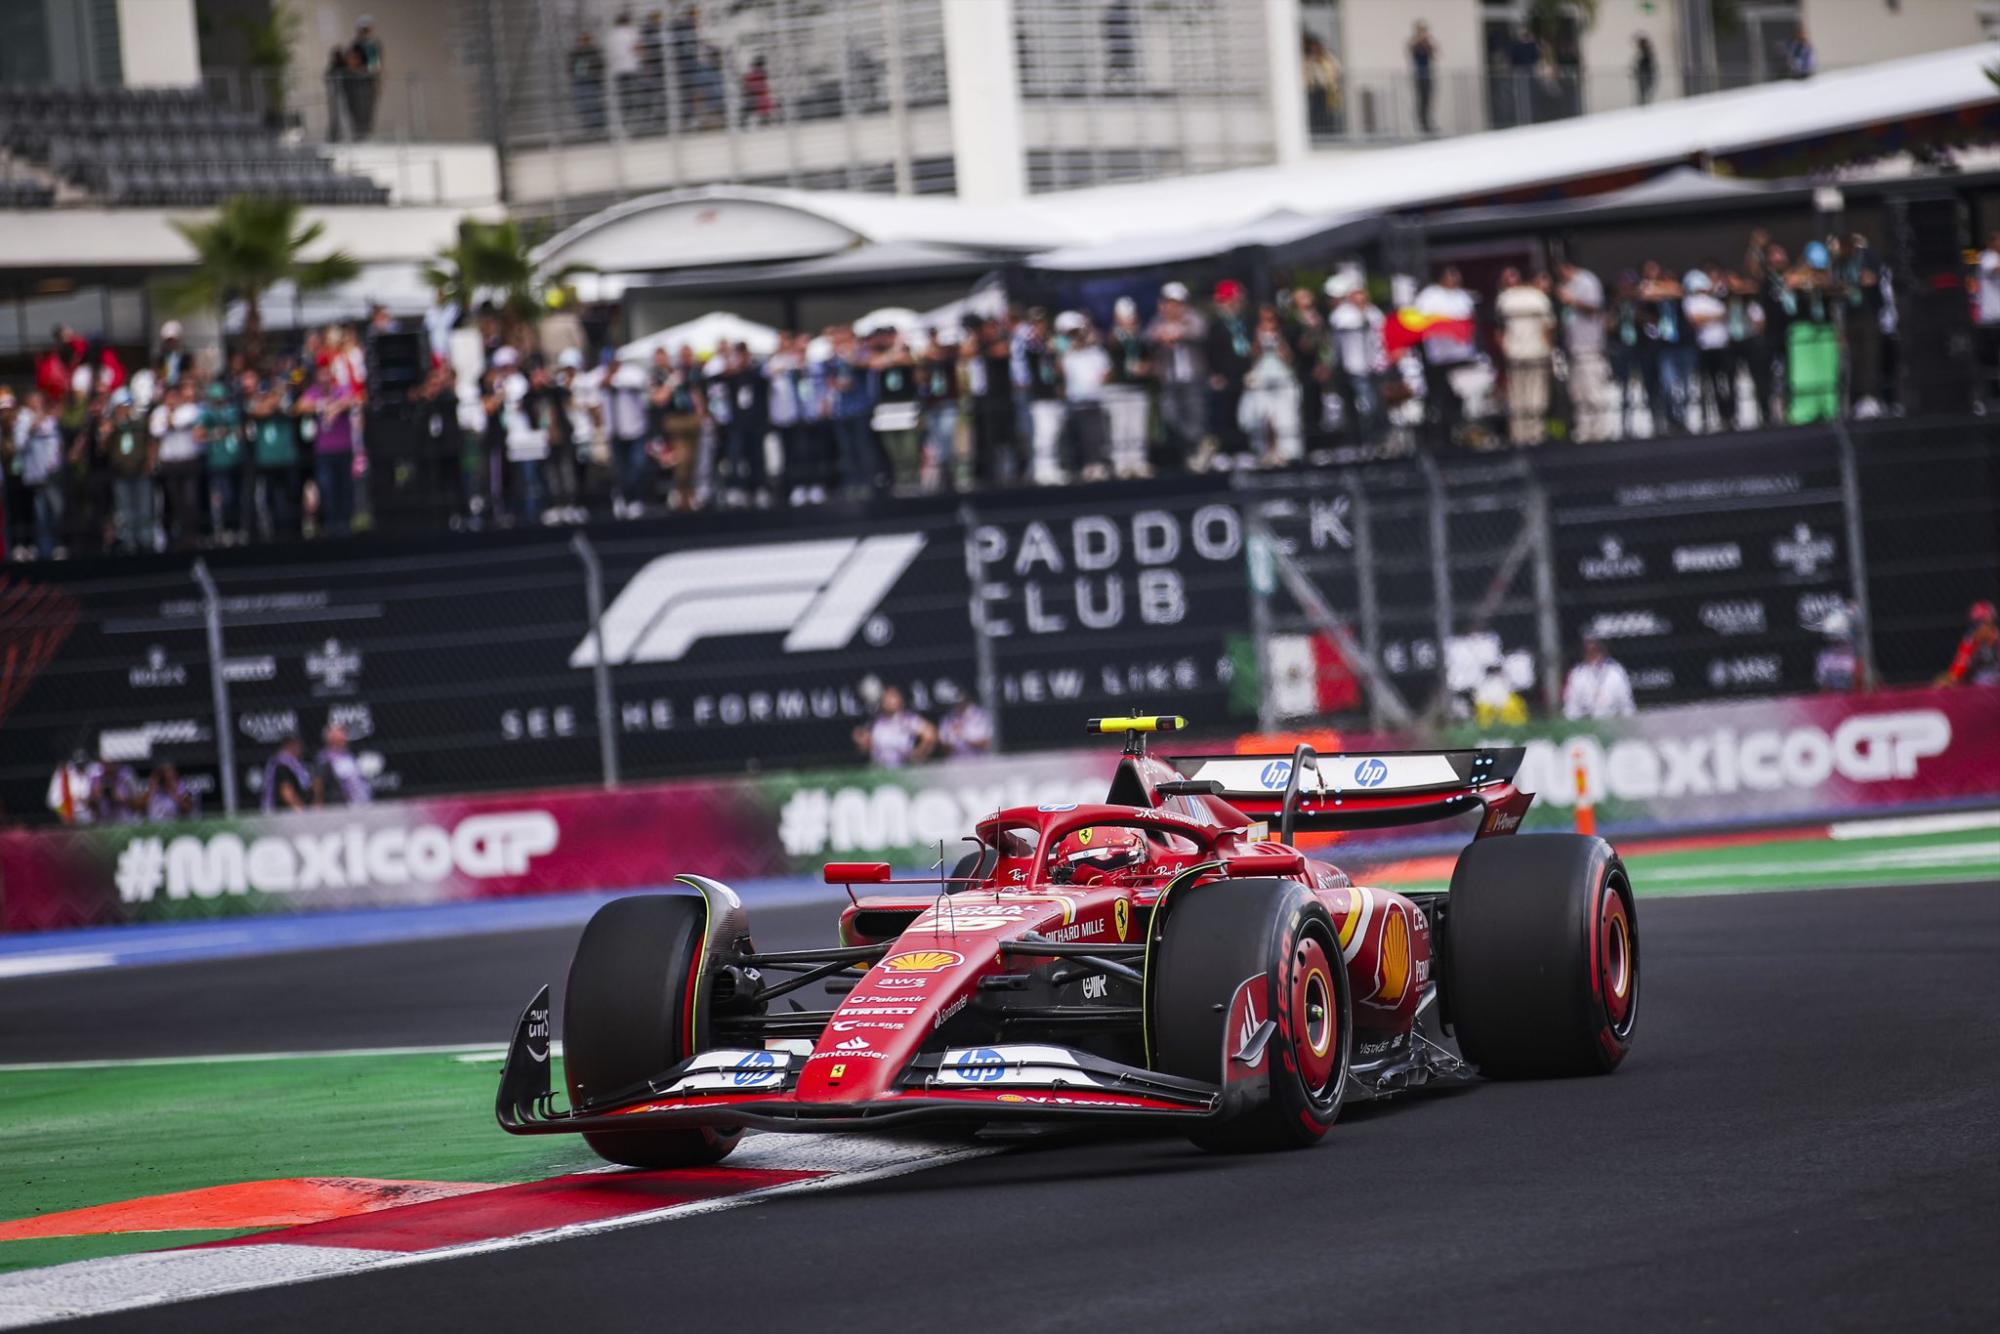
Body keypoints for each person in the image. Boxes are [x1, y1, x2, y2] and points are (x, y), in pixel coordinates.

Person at [1145, 283, 1208, 467]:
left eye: (1177, 303)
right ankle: (1194, 446)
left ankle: (1195, 453)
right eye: (1169, 303)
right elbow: (1147, 337)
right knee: (1170, 415)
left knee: (1195, 416)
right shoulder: (1157, 321)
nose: (1173, 307)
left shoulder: (1193, 318)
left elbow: (1200, 330)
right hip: (1169, 379)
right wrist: (1161, 334)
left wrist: (1179, 332)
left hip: (1192, 378)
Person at [1414, 267, 1477, 450]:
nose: (1454, 278)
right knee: (1439, 397)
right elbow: (1422, 322)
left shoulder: (1462, 297)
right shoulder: (1429, 296)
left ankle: (1461, 433)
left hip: (1461, 356)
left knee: (1459, 397)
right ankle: (1441, 437)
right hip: (1438, 358)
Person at [1496, 268, 1555, 445]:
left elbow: (1499, 332)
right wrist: (1550, 352)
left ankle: (1519, 437)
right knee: (1536, 396)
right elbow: (1548, 329)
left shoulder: (1504, 299)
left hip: (1515, 355)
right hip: (1537, 353)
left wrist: (1506, 350)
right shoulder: (1539, 299)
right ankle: (1535, 435)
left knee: (1517, 398)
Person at [1238, 304, 1301, 465]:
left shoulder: (1283, 335)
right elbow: (1252, 355)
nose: (1268, 324)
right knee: (1261, 415)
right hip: (1261, 376)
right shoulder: (1252, 335)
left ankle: (1285, 452)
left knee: (1284, 416)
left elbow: (1289, 358)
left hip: (1281, 376)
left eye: (1271, 320)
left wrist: (1278, 342)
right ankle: (1264, 451)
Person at [301, 365, 358, 536]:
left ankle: (346, 524)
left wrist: (336, 407)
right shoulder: (314, 393)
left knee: (345, 488)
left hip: (343, 448)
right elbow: (300, 406)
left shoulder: (341, 391)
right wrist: (321, 405)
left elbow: (355, 399)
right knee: (327, 488)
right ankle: (331, 525)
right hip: (324, 451)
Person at [1557, 261, 1610, 441]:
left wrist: (1572, 300)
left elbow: (1594, 307)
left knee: (1593, 391)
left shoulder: (1587, 281)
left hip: (1590, 346)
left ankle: (1601, 430)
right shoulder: (1568, 285)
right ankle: (1585, 430)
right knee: (1578, 393)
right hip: (1574, 347)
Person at [97, 388, 155, 552]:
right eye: (120, 406)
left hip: (140, 472)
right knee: (125, 509)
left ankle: (146, 542)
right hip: (120, 473)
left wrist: (149, 463)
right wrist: (105, 434)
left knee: (144, 508)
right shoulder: (112, 426)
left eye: (126, 405)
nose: (124, 409)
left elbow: (150, 442)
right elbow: (102, 450)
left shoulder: (140, 423)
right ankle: (129, 543)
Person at [12, 390, 67, 559]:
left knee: (58, 511)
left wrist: (54, 466)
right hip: (35, 478)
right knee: (40, 514)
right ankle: (44, 549)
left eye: (38, 400)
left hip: (52, 476)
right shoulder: (22, 420)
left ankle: (58, 546)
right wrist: (31, 428)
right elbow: (19, 445)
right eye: (33, 400)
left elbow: (57, 445)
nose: (36, 404)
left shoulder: (50, 420)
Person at [1204, 281, 1253, 468]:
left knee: (1244, 415)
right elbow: (1209, 352)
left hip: (1244, 375)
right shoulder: (1215, 326)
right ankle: (1225, 451)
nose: (1235, 304)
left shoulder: (1246, 323)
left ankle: (1243, 450)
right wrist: (1214, 374)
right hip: (1224, 377)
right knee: (1224, 415)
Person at [1101, 297, 1152, 478]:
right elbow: (1111, 347)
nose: (1128, 320)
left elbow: (1147, 359)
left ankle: (1137, 461)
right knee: (1120, 427)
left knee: (1137, 426)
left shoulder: (1139, 337)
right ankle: (1121, 463)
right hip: (1118, 389)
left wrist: (1145, 367)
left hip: (1137, 388)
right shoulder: (1113, 337)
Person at [1057, 311, 1111, 480]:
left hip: (1094, 399)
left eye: (1079, 333)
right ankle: (1083, 465)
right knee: (1077, 435)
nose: (1077, 338)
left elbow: (1106, 372)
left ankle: (1096, 464)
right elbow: (1060, 372)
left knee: (1096, 434)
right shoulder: (1067, 356)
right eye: (1072, 335)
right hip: (1075, 401)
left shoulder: (1095, 352)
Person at [1682, 267, 1732, 432]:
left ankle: (1726, 417)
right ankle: (1705, 418)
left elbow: (1725, 313)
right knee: (1705, 384)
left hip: (1721, 346)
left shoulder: (1714, 300)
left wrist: (1712, 317)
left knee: (1722, 384)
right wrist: (1714, 317)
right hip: (1704, 348)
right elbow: (1696, 319)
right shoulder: (1690, 301)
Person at [198, 381, 245, 543]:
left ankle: (237, 528)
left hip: (235, 459)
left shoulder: (232, 412)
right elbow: (199, 434)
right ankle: (224, 528)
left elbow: (241, 432)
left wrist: (231, 432)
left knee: (237, 496)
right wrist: (216, 434)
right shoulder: (207, 414)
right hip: (217, 462)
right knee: (223, 498)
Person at [917, 328, 962, 491]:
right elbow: (919, 378)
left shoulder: (948, 352)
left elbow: (958, 353)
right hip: (931, 403)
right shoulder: (924, 357)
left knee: (947, 438)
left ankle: (948, 473)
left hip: (948, 401)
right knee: (935, 440)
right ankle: (939, 475)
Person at [853, 686, 936, 769]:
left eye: (892, 697)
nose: (889, 701)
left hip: (902, 768)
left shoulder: (907, 719)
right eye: (886, 698)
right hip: (880, 768)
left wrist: (917, 754)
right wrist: (862, 741)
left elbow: (930, 735)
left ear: (900, 699)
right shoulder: (876, 721)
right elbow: (866, 747)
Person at [1562, 636, 1636, 719]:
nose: (1593, 655)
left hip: (1613, 722)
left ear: (1603, 651)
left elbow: (1626, 705)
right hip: (1586, 724)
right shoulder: (1576, 674)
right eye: (1589, 652)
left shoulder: (1616, 671)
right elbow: (1571, 708)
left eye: (1596, 650)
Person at [1938, 601, 1999, 687]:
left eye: (1981, 623)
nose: (1977, 628)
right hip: (1979, 684)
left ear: (1991, 623)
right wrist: (1948, 680)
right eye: (1975, 624)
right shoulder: (1971, 641)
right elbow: (1957, 670)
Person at [315, 723, 373, 806]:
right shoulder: (325, 758)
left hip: (362, 802)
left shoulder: (349, 755)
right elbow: (319, 781)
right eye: (341, 735)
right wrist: (318, 803)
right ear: (331, 739)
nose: (345, 737)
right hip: (341, 806)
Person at [346, 17, 384, 139]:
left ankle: (367, 133)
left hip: (370, 80)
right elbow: (352, 62)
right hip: (356, 81)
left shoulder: (374, 44)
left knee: (369, 108)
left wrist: (378, 79)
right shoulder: (355, 45)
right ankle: (358, 134)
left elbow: (377, 63)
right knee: (357, 108)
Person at [262, 732, 313, 813]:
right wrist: (300, 810)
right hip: (283, 812)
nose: (300, 748)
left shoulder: (294, 762)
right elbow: (285, 791)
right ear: (288, 745)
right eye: (297, 744)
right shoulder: (282, 764)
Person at [1302, 34, 1342, 138]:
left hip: (1328, 89)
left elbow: (1337, 69)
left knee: (1329, 113)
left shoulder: (1328, 58)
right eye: (1313, 47)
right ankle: (1317, 133)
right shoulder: (1308, 60)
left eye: (1317, 46)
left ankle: (1331, 132)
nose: (1315, 49)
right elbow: (1308, 74)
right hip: (1313, 90)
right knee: (1315, 113)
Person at [570, 29, 607, 132]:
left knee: (594, 104)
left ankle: (597, 126)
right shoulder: (575, 53)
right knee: (583, 105)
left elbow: (600, 65)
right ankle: (589, 126)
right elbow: (571, 67)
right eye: (582, 40)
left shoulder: (594, 52)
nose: (584, 42)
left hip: (591, 81)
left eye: (586, 40)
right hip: (579, 81)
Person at [937, 695, 993, 760]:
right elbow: (943, 747)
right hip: (955, 763)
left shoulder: (982, 715)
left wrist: (963, 735)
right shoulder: (948, 718)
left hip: (979, 761)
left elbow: (986, 744)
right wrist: (952, 737)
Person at [1472, 661, 1529, 726]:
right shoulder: (1483, 682)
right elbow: (1481, 699)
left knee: (1514, 707)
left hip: (1503, 704)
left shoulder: (1504, 680)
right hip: (1488, 704)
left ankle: (1514, 723)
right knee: (1484, 711)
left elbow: (1508, 696)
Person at [1408, 21, 1437, 135]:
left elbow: (1434, 54)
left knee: (1428, 99)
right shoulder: (1415, 43)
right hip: (1419, 75)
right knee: (1421, 99)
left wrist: (1428, 43)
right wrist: (1420, 41)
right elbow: (1412, 52)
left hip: (1427, 74)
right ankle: (1422, 123)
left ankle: (1428, 122)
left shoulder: (1427, 44)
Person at [1632, 34, 1657, 106]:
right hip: (1642, 78)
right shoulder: (1643, 54)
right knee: (1642, 97)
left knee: (1646, 96)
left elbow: (1648, 66)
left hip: (1646, 77)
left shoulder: (1647, 54)